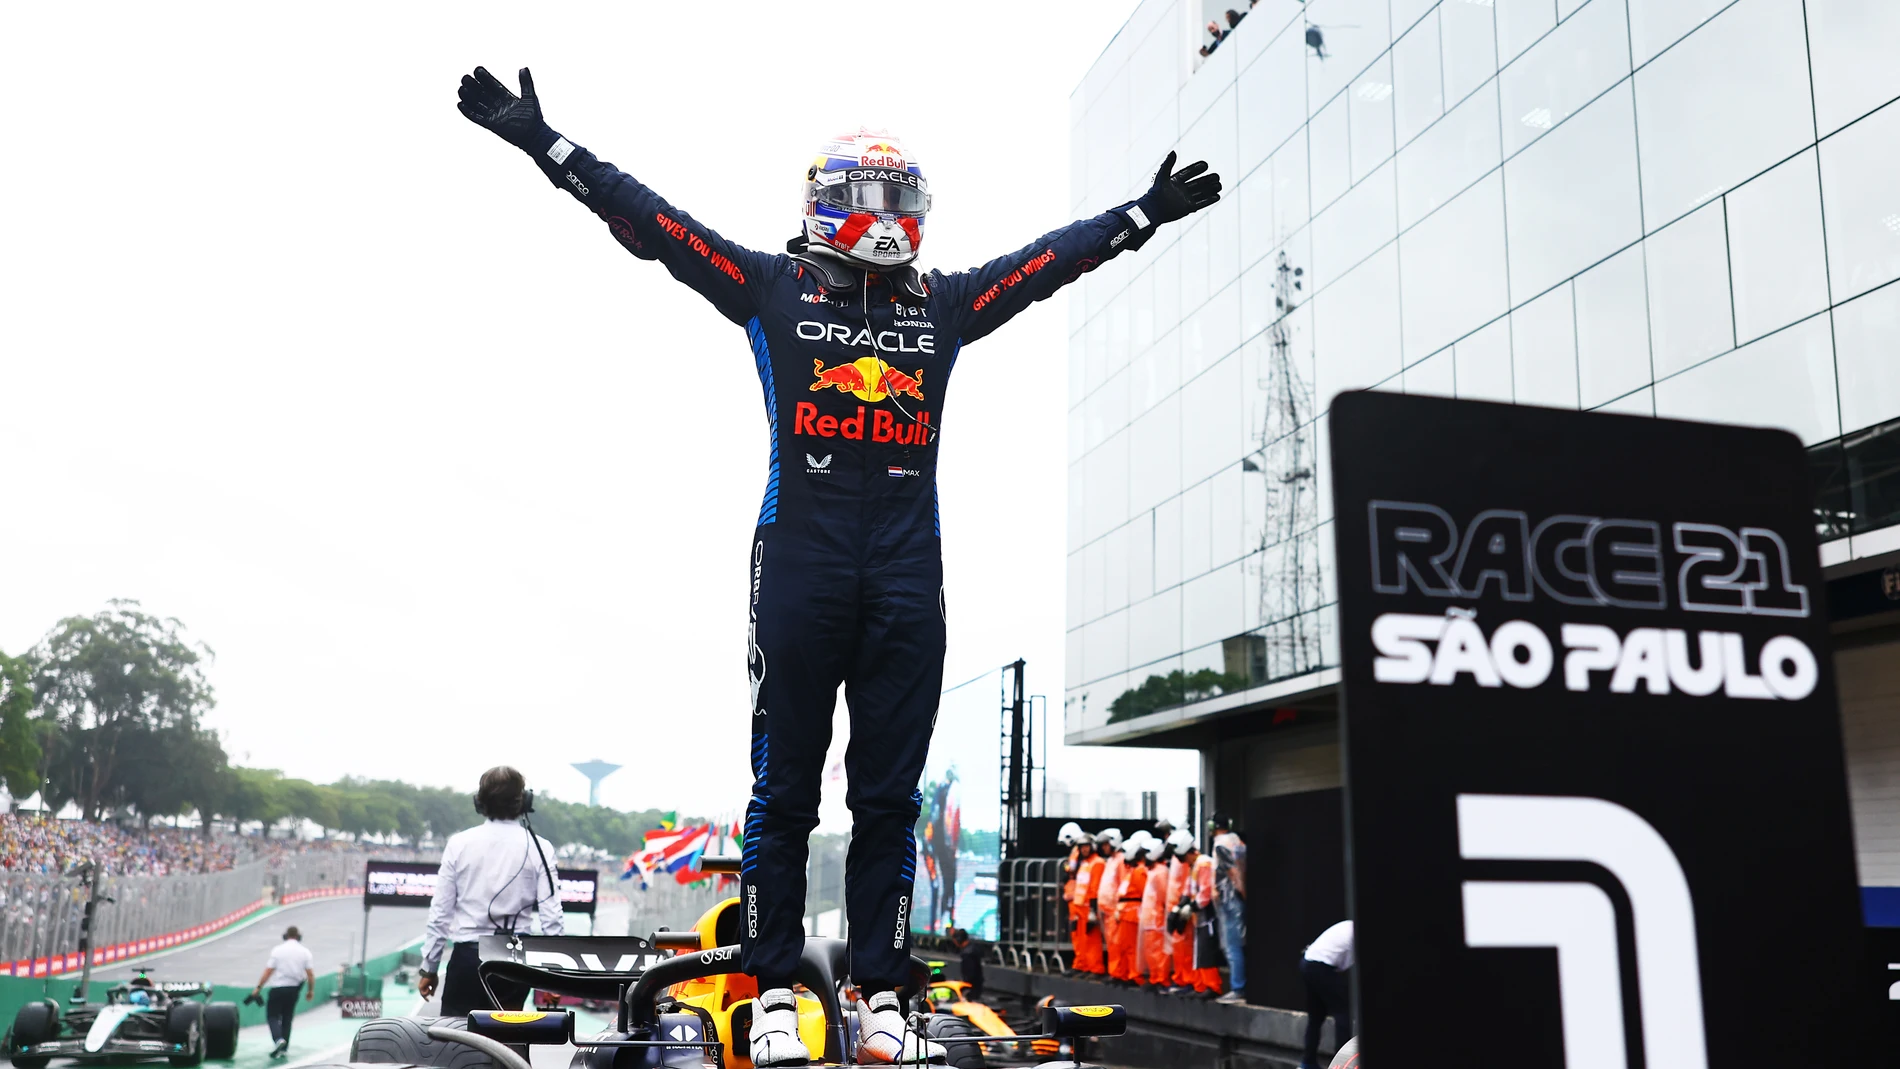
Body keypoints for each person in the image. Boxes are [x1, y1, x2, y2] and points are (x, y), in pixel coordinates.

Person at [455, 65, 1219, 1069]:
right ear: (824, 203)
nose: (890, 215)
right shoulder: (771, 287)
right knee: (784, 795)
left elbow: (1041, 265)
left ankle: (881, 991)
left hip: (908, 574)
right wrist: (545, 145)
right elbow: (654, 225)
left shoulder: (941, 306)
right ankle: (774, 987)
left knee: (888, 803)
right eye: (871, 197)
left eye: (904, 199)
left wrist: (1139, 215)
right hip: (802, 566)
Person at [417, 767, 563, 1017]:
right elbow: (552, 917)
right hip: (515, 963)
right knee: (507, 1046)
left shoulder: (459, 844)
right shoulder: (541, 848)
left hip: (467, 959)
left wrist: (429, 968)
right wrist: (554, 977)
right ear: (524, 802)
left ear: (479, 802)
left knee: (456, 1045)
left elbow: (440, 913)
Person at [1169, 831, 1222, 996]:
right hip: (1199, 914)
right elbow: (1188, 890)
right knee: (1199, 950)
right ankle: (1202, 985)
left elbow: (1205, 893)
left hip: (1208, 914)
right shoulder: (1194, 866)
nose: (1181, 861)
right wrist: (1178, 908)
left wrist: (1191, 907)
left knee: (1206, 950)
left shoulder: (1204, 864)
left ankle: (1212, 985)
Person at [249, 926, 313, 1059]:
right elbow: (310, 975)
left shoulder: (278, 951)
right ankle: (284, 1048)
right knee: (287, 1018)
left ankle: (278, 1039)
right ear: (298, 936)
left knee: (272, 1016)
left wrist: (259, 987)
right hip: (294, 990)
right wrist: (310, 991)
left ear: (285, 936)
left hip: (278, 988)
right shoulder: (305, 952)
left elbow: (268, 971)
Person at [1300, 920, 1354, 1069]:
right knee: (1344, 1013)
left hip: (1307, 962)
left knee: (1316, 1017)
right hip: (1320, 966)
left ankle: (1307, 1062)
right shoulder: (1356, 932)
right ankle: (1342, 1064)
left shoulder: (1348, 925)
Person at [1210, 813, 1247, 1004]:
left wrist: (1241, 891)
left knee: (1232, 946)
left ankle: (1238, 988)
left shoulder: (1221, 844)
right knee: (1238, 945)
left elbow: (1232, 871)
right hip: (1235, 899)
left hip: (1229, 899)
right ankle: (1239, 986)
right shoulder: (1237, 841)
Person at [1108, 833, 1148, 984]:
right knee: (1123, 946)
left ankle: (1134, 975)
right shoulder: (1132, 871)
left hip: (1131, 912)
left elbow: (1144, 893)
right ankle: (1125, 973)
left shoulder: (1139, 871)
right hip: (1125, 912)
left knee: (1131, 947)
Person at [1070, 830, 1110, 975]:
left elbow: (1094, 887)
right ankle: (1082, 965)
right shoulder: (1085, 863)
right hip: (1080, 906)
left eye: (1086, 846)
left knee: (1092, 940)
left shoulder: (1097, 863)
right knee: (1081, 940)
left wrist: (1093, 911)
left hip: (1089, 907)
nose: (1084, 849)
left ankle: (1095, 968)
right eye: (1081, 847)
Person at [1138, 834, 1172, 989]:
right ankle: (1154, 977)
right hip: (1149, 918)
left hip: (1156, 919)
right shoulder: (1153, 871)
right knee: (1151, 952)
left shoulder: (1161, 872)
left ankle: (1161, 979)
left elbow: (1164, 896)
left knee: (1158, 952)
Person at [949, 927, 984, 1002]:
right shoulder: (973, 949)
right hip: (977, 986)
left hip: (972, 989)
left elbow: (969, 974)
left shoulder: (967, 954)